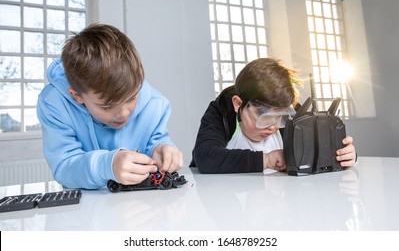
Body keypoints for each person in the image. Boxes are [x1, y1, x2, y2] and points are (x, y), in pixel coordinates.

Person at [37, 23, 183, 189]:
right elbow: (64, 166)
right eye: (106, 106)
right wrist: (107, 166)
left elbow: (156, 141)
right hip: (85, 211)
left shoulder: (155, 104)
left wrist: (161, 149)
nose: (123, 114)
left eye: (132, 98)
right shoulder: (54, 104)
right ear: (77, 96)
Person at [190, 58, 357, 173]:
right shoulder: (222, 111)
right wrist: (267, 160)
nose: (273, 126)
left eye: (280, 116)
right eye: (264, 115)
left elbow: (317, 148)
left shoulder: (293, 113)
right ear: (238, 104)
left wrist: (342, 154)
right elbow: (205, 157)